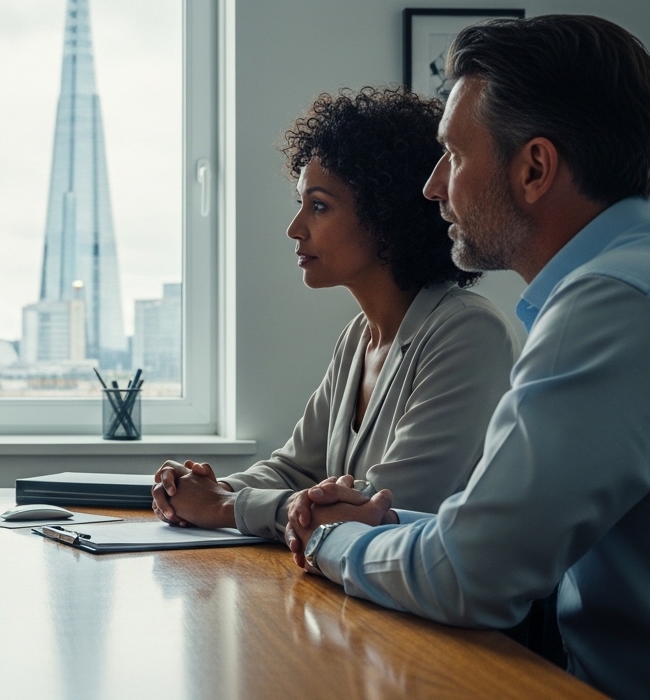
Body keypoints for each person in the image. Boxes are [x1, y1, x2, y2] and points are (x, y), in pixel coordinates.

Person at [287, 15, 650, 698]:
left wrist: (331, 542)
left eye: (453, 154)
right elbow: (498, 532)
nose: (433, 187)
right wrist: (383, 524)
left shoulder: (617, 304)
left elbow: (470, 577)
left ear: (534, 167)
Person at [152, 88, 517, 541]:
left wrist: (226, 505)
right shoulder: (358, 338)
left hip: (427, 606)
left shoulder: (468, 332)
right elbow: (295, 468)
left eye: (319, 206)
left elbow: (383, 507)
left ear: (387, 217)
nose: (295, 228)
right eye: (301, 204)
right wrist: (206, 489)